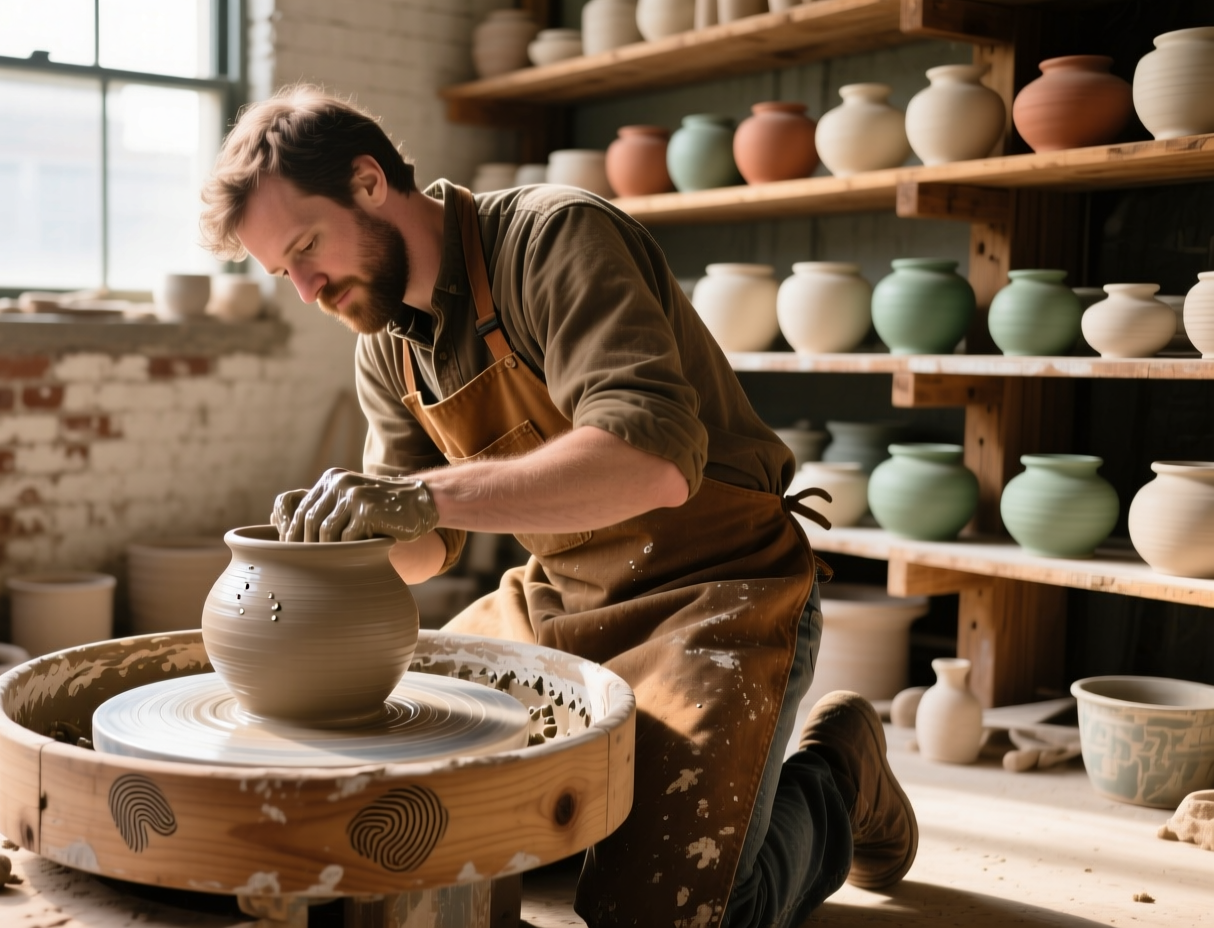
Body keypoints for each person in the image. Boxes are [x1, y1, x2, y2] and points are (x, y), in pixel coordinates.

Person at [199, 85, 917, 928]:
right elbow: (422, 547)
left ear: (367, 182)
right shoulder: (386, 342)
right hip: (560, 592)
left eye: (307, 248)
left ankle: (838, 772)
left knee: (673, 912)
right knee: (392, 768)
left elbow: (652, 463)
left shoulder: (551, 238)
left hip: (718, 590)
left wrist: (416, 496)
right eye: (285, 272)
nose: (308, 289)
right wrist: (331, 545)